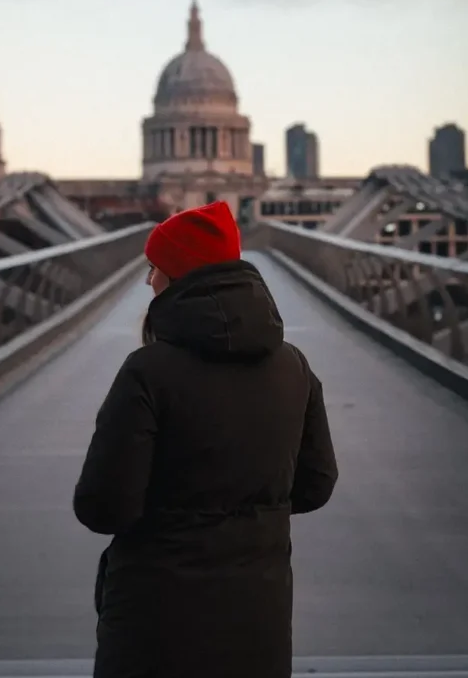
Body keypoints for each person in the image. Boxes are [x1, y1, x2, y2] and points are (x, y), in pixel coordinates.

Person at [73, 201, 338, 678]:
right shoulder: (294, 365)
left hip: (154, 623)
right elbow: (316, 484)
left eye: (154, 268)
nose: (146, 281)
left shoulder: (147, 372)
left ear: (177, 276)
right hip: (259, 618)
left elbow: (103, 507)